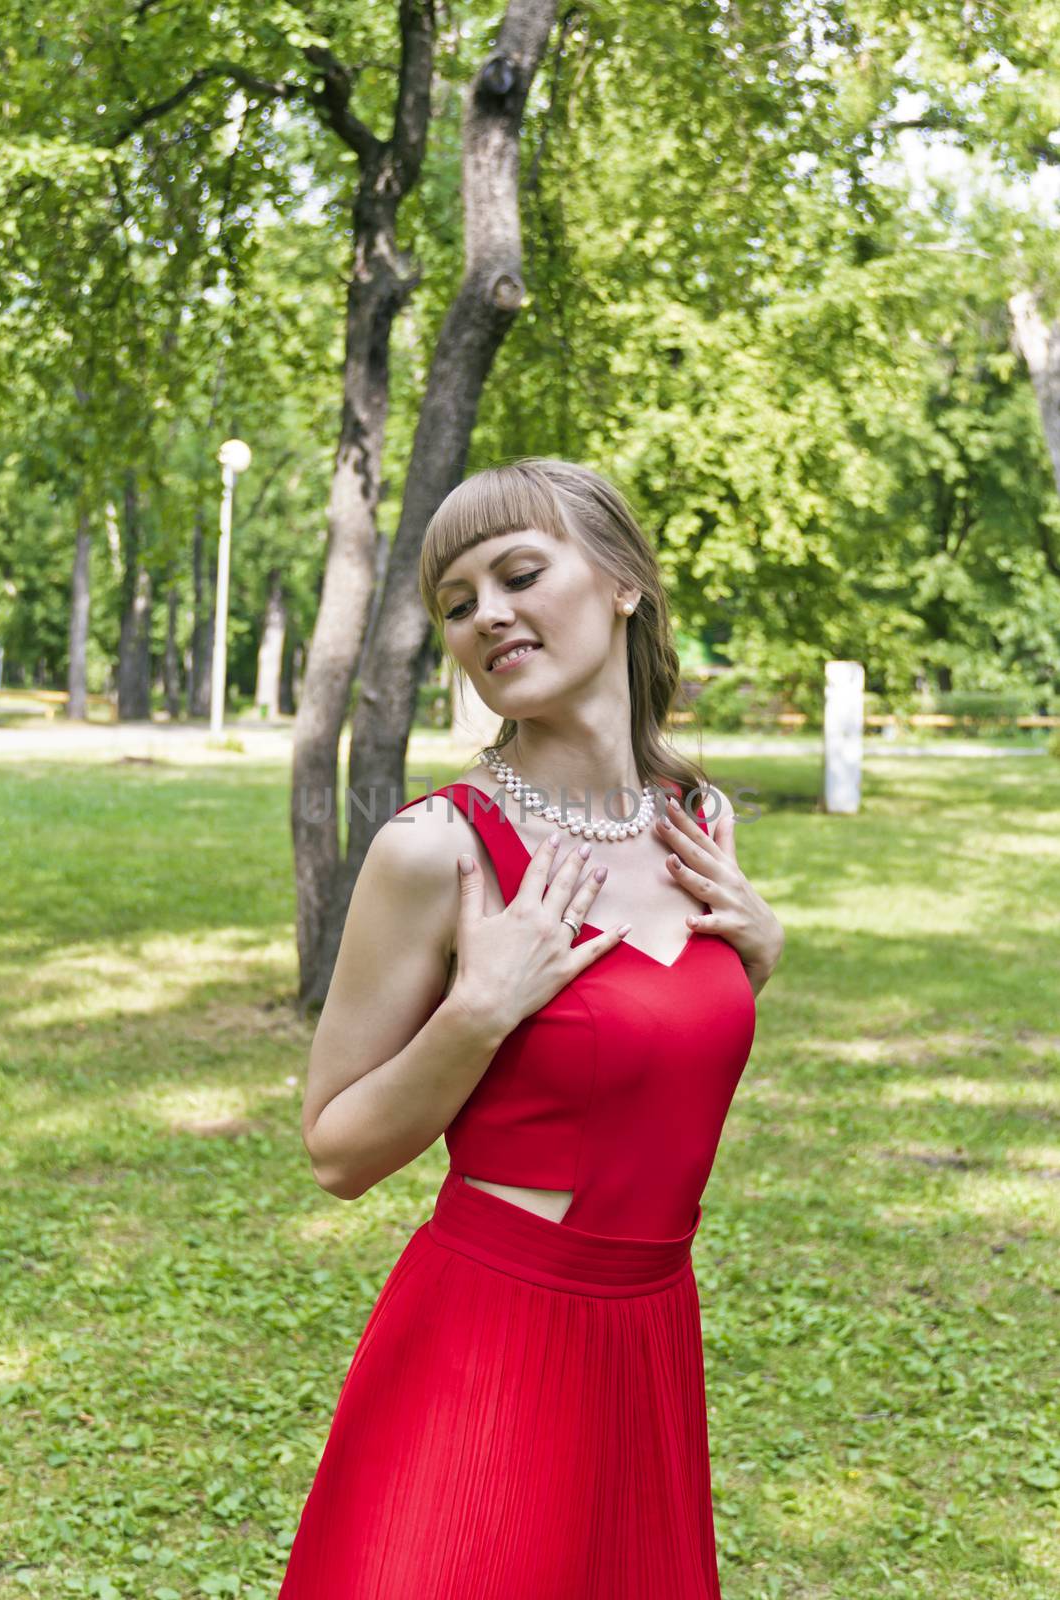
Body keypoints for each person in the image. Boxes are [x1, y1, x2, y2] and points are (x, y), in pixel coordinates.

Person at [278, 458, 785, 1599]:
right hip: (490, 1345)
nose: (486, 615)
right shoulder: (436, 850)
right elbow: (334, 1149)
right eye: (456, 603)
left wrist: (757, 958)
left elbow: (636, 1067)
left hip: (647, 1336)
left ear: (619, 583)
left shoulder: (697, 820)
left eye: (518, 573)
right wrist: (478, 1011)